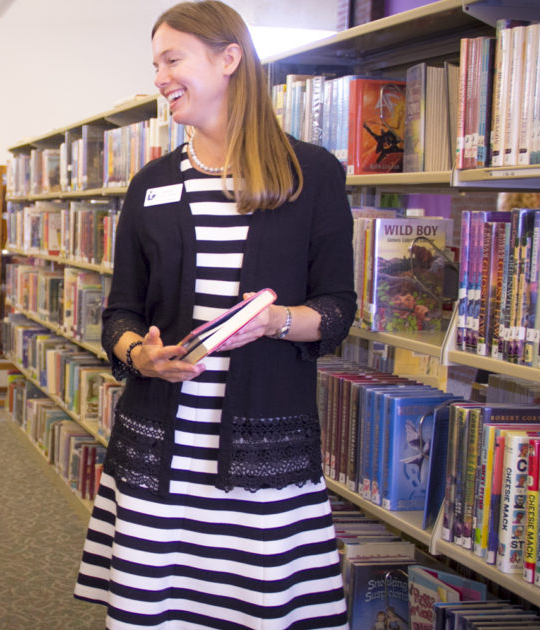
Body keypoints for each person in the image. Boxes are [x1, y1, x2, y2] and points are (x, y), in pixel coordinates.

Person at [72, 2, 357, 628]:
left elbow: (338, 310)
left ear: (229, 59)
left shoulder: (311, 174)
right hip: (163, 459)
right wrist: (137, 354)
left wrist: (277, 321)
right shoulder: (149, 185)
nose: (159, 77)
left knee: (260, 611)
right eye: (155, 64)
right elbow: (118, 312)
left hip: (261, 464)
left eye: (173, 59)